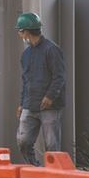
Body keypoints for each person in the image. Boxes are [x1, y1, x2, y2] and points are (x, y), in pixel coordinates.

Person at [15, 12, 66, 166]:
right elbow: (26, 81)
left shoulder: (52, 50)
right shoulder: (26, 54)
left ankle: (53, 173)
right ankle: (34, 168)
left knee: (51, 145)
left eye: (20, 31)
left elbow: (59, 76)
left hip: (49, 107)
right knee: (23, 141)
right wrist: (22, 104)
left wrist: (50, 96)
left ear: (26, 32)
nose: (19, 34)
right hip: (30, 105)